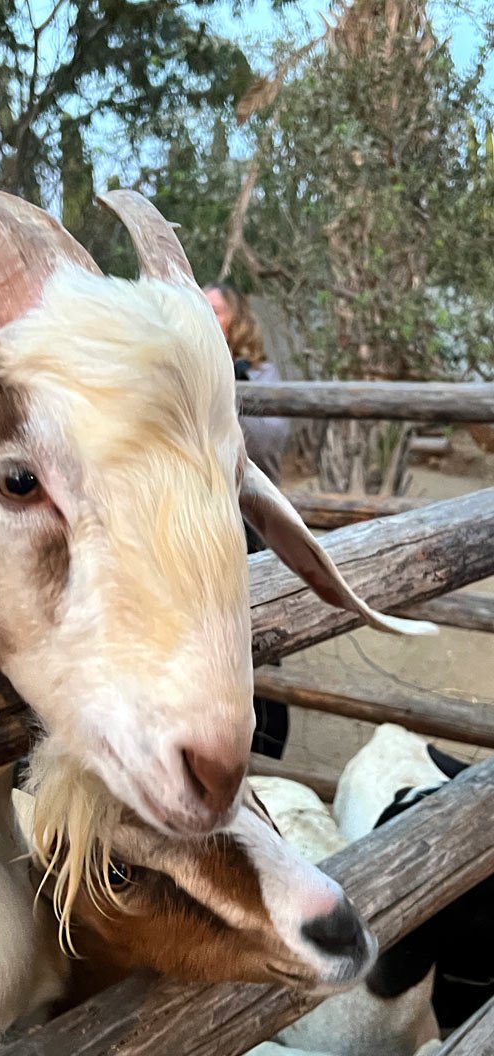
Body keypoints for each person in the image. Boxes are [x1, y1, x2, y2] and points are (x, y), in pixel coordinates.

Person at [204, 282, 291, 761]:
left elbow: (266, 439)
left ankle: (265, 753)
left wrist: (229, 387)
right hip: (206, 529)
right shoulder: (183, 372)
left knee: (264, 636)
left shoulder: (261, 373)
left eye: (214, 310)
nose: (204, 316)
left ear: (236, 321)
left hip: (255, 530)